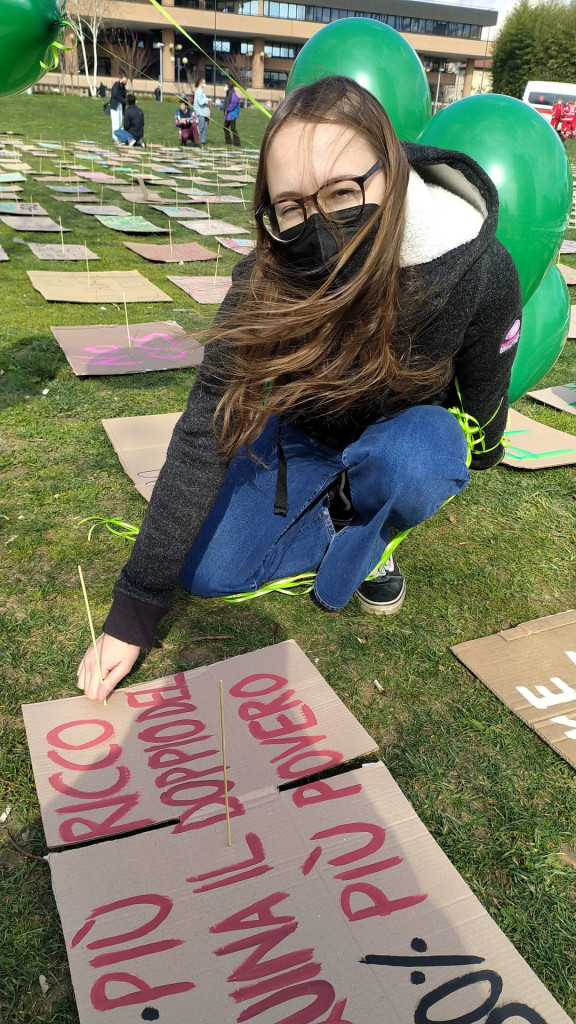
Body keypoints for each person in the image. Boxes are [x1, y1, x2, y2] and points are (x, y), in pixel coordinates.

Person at [77, 76, 522, 701]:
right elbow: (207, 423)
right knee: (207, 572)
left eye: (343, 193)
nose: (317, 225)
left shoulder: (480, 270)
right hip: (304, 433)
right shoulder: (269, 270)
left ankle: (377, 521)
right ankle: (340, 515)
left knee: (415, 462)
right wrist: (137, 604)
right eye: (291, 206)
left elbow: (484, 397)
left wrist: (478, 451)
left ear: (389, 172)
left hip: (408, 432)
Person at [193, 74, 211, 144]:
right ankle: (195, 138)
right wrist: (207, 100)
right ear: (200, 83)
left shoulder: (202, 91)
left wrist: (208, 99)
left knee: (205, 127)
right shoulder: (199, 91)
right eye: (204, 83)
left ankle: (203, 140)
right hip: (200, 112)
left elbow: (203, 98)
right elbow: (200, 101)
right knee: (201, 126)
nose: (205, 84)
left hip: (204, 112)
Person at [109, 74, 127, 139]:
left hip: (120, 107)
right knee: (115, 122)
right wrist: (123, 100)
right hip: (115, 107)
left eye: (126, 81)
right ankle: (115, 138)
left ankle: (118, 137)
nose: (125, 82)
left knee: (119, 122)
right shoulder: (116, 85)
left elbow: (123, 95)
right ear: (120, 79)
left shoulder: (123, 88)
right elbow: (115, 94)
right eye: (124, 80)